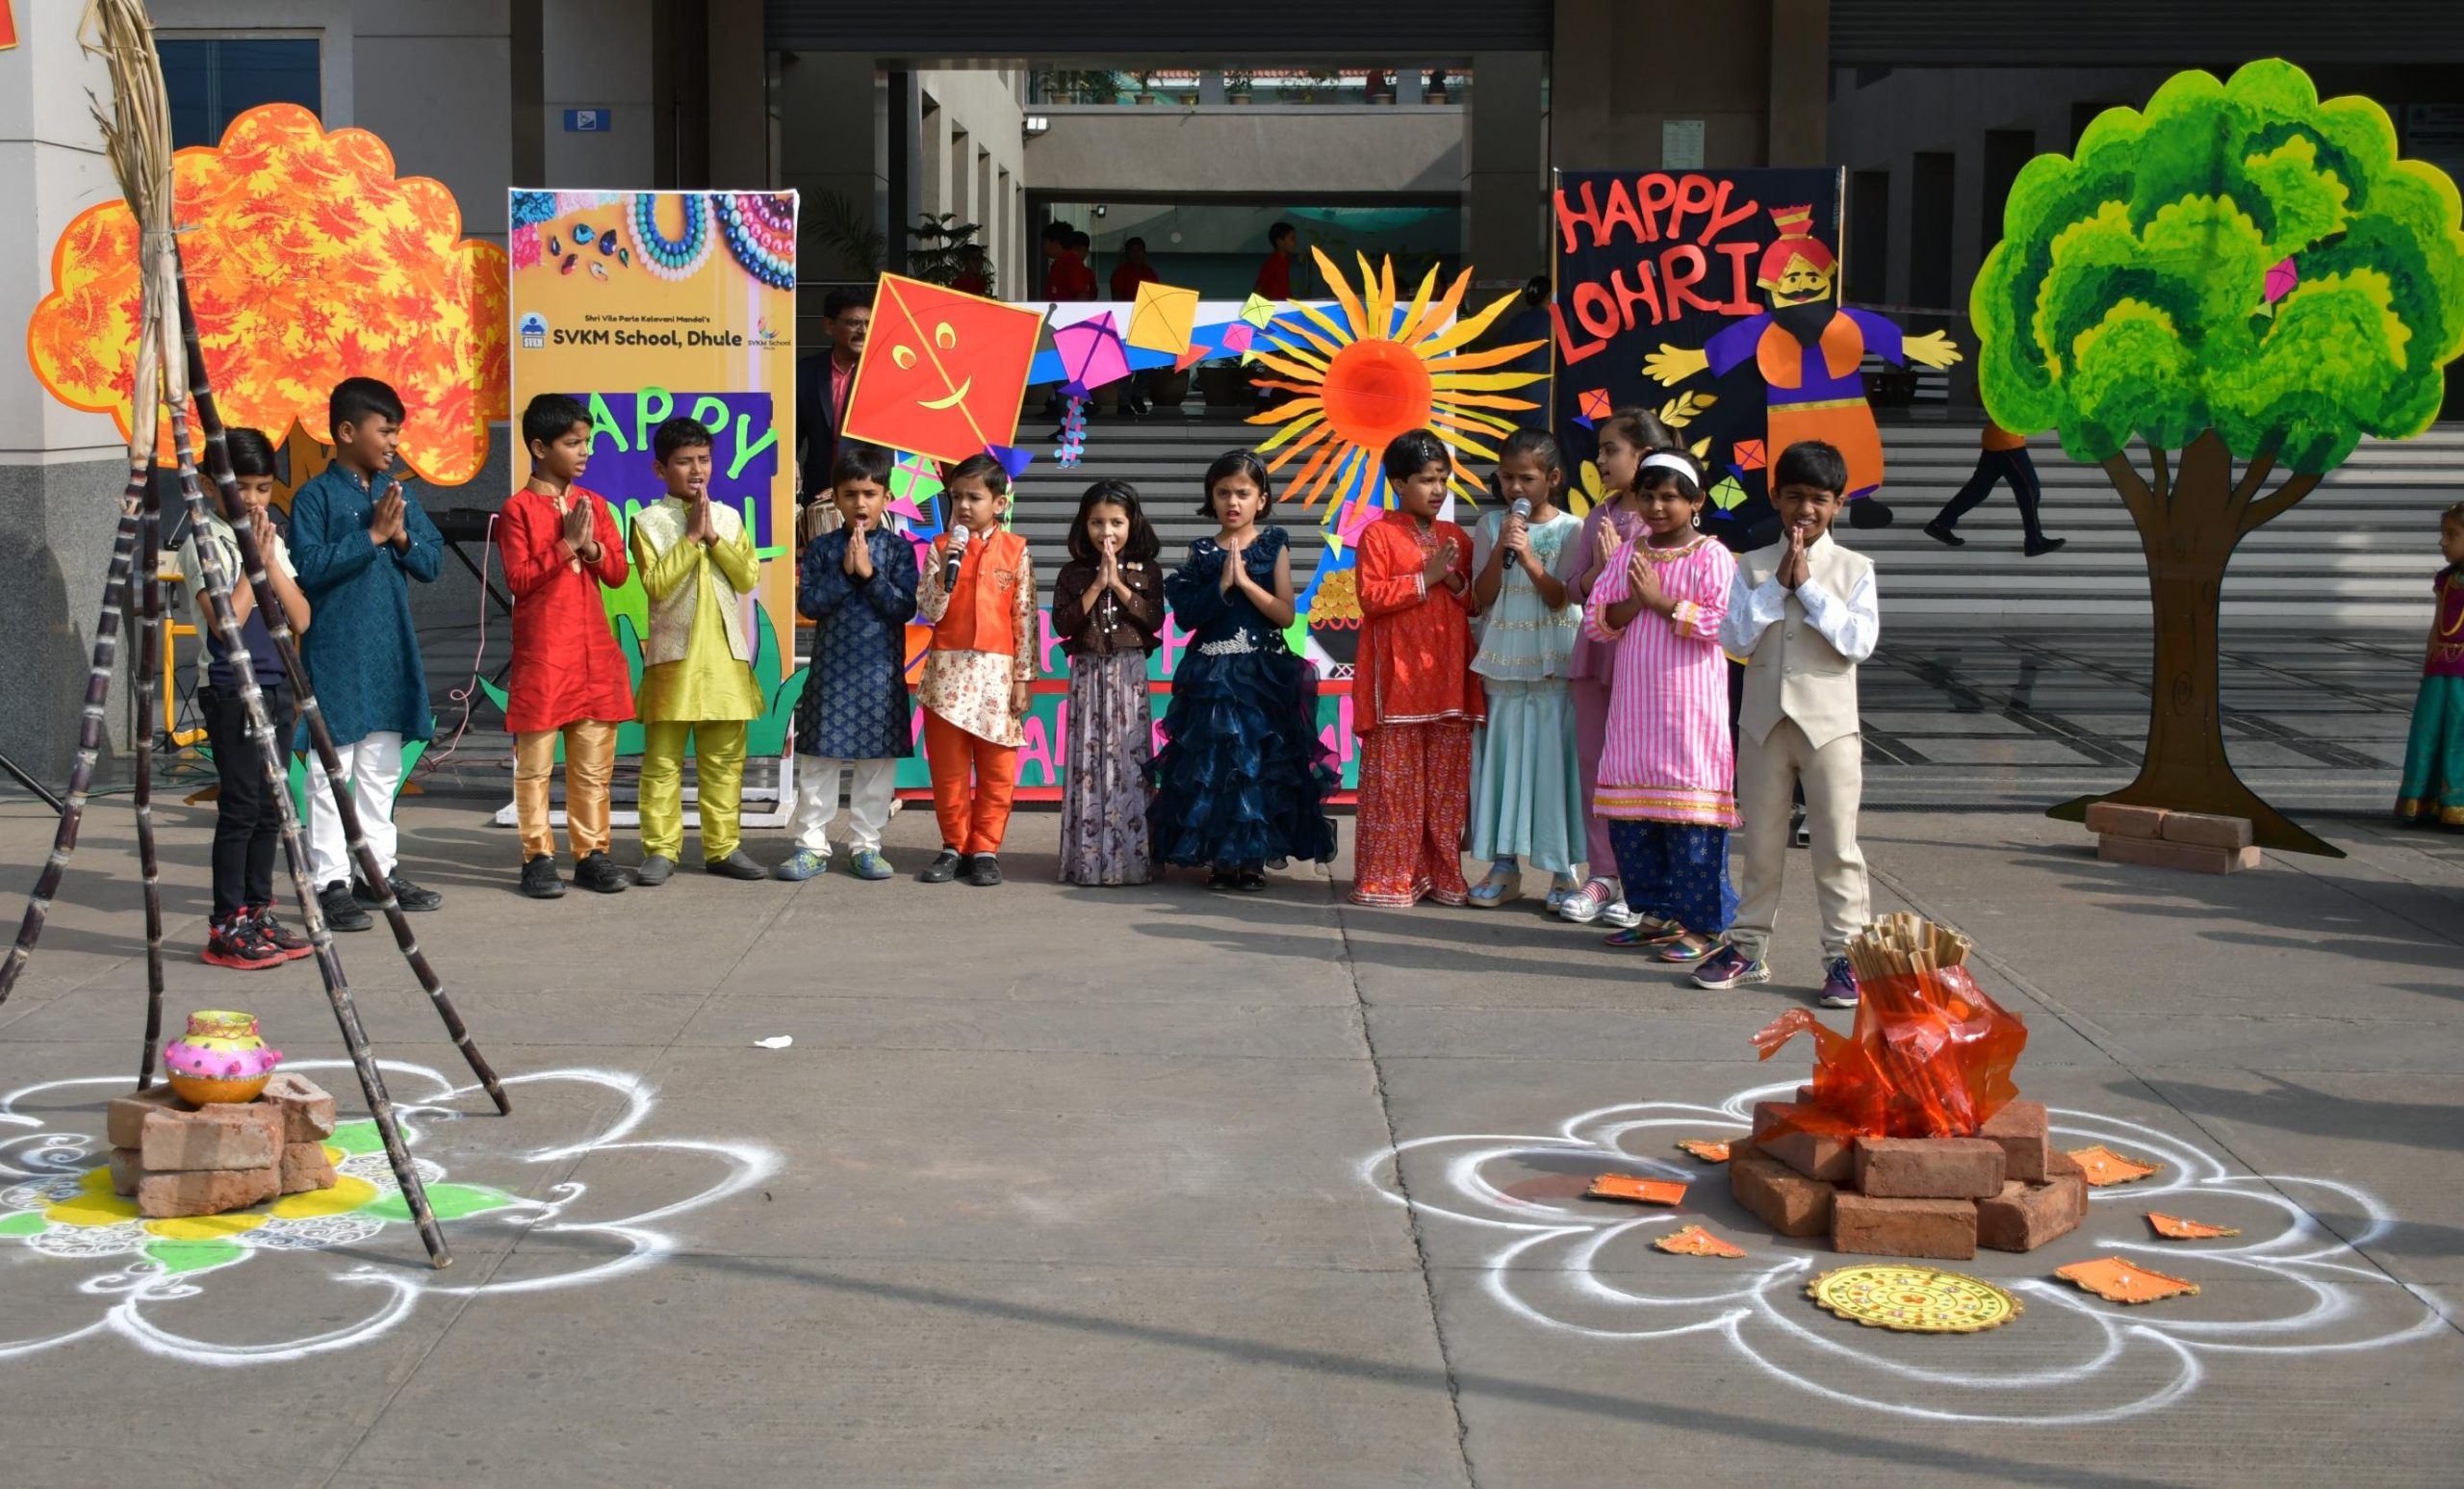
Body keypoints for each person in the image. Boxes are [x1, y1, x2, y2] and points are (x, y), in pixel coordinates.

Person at [1694, 441, 1878, 1007]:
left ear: (1839, 504)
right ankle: (1747, 947)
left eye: (1819, 499)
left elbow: (1858, 643)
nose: (1806, 509)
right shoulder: (1750, 566)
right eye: (1794, 496)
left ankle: (1847, 955)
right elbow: (1734, 637)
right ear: (1774, 497)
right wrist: (1777, 585)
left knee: (1836, 847)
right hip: (1763, 726)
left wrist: (1810, 589)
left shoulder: (1855, 569)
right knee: (1761, 844)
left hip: (1830, 729)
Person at [289, 376, 444, 930]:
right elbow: (307, 567)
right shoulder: (314, 497)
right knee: (332, 771)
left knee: (380, 769)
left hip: (390, 651)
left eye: (398, 432)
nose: (394, 442)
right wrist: (372, 537)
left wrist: (400, 537)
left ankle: (377, 871)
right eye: (386, 431)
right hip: (336, 652)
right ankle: (329, 881)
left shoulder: (398, 494)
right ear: (347, 431)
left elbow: (431, 562)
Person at [1148, 450, 1338, 887]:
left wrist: (1246, 583)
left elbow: (1286, 614)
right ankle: (1221, 859)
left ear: (1262, 499)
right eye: (1222, 493)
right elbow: (1187, 618)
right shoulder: (1200, 550)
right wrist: (1221, 584)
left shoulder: (1274, 545)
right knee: (1215, 767)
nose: (1233, 502)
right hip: (1212, 676)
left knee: (1257, 765)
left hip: (1262, 675)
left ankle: (1251, 859)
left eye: (1243, 493)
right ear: (1210, 498)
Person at [1585, 450, 1739, 962]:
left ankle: (1705, 926)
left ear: (1696, 501)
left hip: (1690, 716)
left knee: (1690, 823)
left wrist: (1662, 604)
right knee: (1634, 823)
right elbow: (1596, 623)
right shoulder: (1630, 553)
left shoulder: (1712, 555)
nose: (1656, 506)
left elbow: (1726, 624)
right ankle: (1656, 913)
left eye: (1669, 497)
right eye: (1648, 496)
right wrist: (1636, 600)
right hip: (1635, 712)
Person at [182, 426, 313, 967]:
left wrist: (270, 560)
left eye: (264, 488)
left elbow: (301, 616)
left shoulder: (268, 537)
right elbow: (225, 625)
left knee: (270, 806)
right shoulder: (203, 541)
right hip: (233, 689)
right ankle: (226, 924)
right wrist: (250, 563)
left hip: (277, 685)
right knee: (239, 806)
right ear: (210, 485)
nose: (255, 500)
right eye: (243, 488)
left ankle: (258, 911)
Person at [500, 393, 636, 900]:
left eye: (587, 442)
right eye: (573, 443)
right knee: (535, 767)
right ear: (540, 448)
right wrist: (565, 546)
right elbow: (518, 579)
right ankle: (537, 857)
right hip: (545, 655)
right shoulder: (517, 509)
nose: (585, 452)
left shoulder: (595, 505)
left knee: (593, 769)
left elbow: (618, 573)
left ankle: (592, 854)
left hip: (593, 654)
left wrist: (591, 545)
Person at [629, 416, 766, 885]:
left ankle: (723, 848)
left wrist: (713, 538)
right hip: (673, 659)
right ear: (660, 469)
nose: (696, 470)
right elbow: (656, 585)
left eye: (703, 460)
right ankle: (661, 850)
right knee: (662, 762)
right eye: (684, 461)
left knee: (725, 761)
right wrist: (689, 538)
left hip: (725, 658)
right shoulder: (647, 522)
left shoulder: (728, 518)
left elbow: (747, 578)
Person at [1350, 429, 1484, 908]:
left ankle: (1442, 875)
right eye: (1427, 480)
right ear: (1398, 483)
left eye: (1443, 480)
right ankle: (1387, 879)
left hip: (1449, 678)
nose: (1438, 490)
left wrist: (1452, 580)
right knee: (1395, 787)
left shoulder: (1456, 537)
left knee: (1446, 789)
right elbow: (1370, 598)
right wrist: (1426, 577)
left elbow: (1474, 603)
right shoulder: (1377, 534)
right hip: (1399, 681)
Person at [1553, 407, 1675, 929]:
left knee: (1641, 768)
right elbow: (1574, 587)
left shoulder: (1666, 518)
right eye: (1600, 450)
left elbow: (1665, 591)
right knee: (1594, 764)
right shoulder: (1598, 517)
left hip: (1644, 659)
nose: (1600, 459)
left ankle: (1641, 879)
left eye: (1611, 450)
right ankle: (1602, 874)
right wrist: (1600, 571)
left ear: (1643, 455)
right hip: (1594, 652)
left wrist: (1621, 563)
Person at [777, 440, 918, 883]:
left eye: (870, 493)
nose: (860, 503)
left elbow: (904, 608)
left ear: (886, 497)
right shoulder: (821, 549)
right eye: (851, 494)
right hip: (831, 674)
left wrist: (870, 574)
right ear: (834, 498)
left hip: (881, 674)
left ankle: (866, 845)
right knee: (819, 761)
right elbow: (811, 605)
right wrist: (844, 571)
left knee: (877, 765)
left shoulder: (898, 551)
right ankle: (810, 845)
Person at [1466, 428, 1585, 909]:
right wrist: (1503, 548)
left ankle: (1563, 869)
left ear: (1552, 479)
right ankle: (1504, 865)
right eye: (1506, 477)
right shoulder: (1489, 525)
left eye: (1527, 478)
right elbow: (1482, 596)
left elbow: (1561, 597)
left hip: (1553, 661)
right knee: (1505, 762)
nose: (1515, 488)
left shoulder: (1574, 529)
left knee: (1552, 763)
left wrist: (1530, 557)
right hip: (1503, 661)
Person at [915, 454, 1037, 886]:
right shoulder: (939, 547)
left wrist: (1023, 679)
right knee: (948, 770)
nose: (963, 506)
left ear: (999, 503)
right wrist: (945, 571)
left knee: (997, 770)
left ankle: (985, 848)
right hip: (946, 674)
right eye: (956, 497)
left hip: (998, 676)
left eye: (974, 497)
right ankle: (954, 845)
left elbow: (1024, 617)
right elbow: (929, 610)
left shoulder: (1016, 550)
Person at [1052, 479, 1167, 886]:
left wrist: (1118, 583)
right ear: (1083, 525)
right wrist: (1097, 584)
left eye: (1116, 522)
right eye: (1097, 522)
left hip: (1129, 671)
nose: (1106, 532)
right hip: (1087, 672)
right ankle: (1086, 861)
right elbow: (1063, 623)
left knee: (1129, 760)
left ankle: (1132, 862)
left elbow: (1154, 619)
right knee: (1088, 760)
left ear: (1132, 524)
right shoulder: (1072, 573)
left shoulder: (1148, 570)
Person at [2396, 501, 2464, 829]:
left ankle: (2457, 801)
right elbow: (2437, 626)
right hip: (2440, 672)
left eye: (2452, 535)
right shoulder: (2445, 581)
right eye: (2443, 534)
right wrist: (2428, 663)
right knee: (2430, 732)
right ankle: (2425, 799)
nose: (2443, 542)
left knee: (2459, 735)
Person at [1924, 421, 2065, 556]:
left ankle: (1940, 524)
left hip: (1997, 437)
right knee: (2029, 490)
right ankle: (2035, 542)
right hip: (2007, 440)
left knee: (1979, 489)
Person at [794, 287, 871, 513]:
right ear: (829, 325)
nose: (863, 331)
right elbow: (789, 434)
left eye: (868, 323)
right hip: (818, 494)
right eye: (854, 323)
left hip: (871, 494)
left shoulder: (886, 375)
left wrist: (847, 487)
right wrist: (789, 461)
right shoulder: (804, 373)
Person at [1110, 237, 1162, 416]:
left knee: (1147, 364)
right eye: (1132, 251)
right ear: (1127, 253)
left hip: (1146, 324)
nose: (1136, 254)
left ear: (1144, 253)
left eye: (1139, 250)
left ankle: (1137, 395)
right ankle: (1124, 402)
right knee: (1125, 365)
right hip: (1125, 323)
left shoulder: (1150, 273)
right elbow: (1117, 299)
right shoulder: (1120, 273)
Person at [1253, 221, 1297, 300]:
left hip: (1283, 304)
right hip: (1274, 304)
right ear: (1280, 242)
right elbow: (1258, 288)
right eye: (1292, 238)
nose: (1295, 242)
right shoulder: (1272, 263)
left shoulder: (1286, 261)